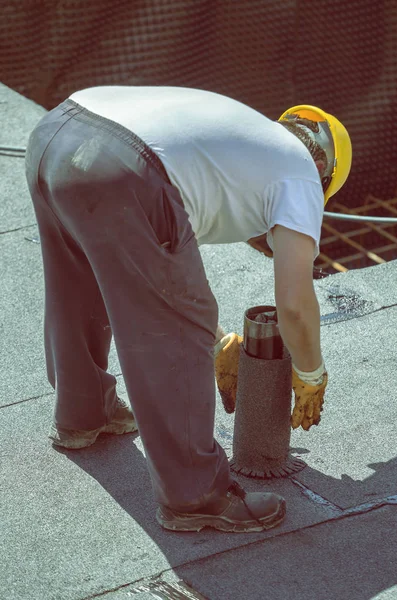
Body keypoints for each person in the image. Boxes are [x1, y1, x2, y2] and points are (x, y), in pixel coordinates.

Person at [25, 86, 352, 533]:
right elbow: (294, 305)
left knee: (76, 281)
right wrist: (312, 374)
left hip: (57, 134)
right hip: (125, 167)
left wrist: (218, 341)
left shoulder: (244, 143)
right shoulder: (301, 176)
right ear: (325, 172)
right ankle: (197, 495)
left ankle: (83, 413)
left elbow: (151, 272)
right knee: (176, 330)